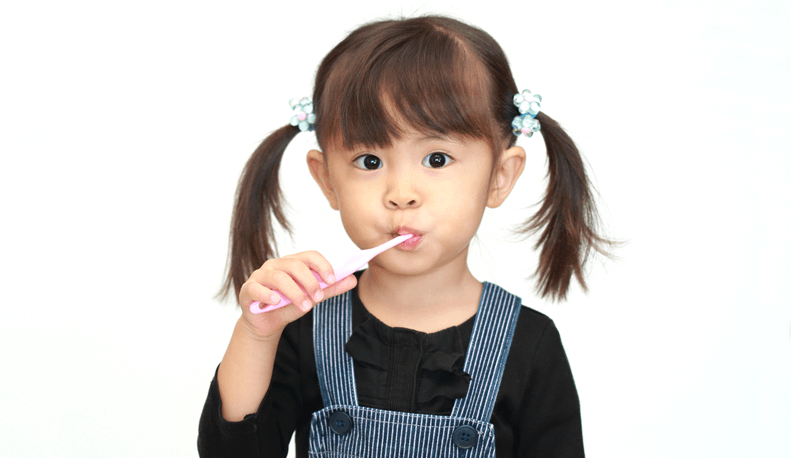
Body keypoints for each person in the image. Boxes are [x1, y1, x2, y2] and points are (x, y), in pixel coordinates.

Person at [198, 15, 611, 458]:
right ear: (327, 180)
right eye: (369, 162)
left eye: (437, 158)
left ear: (499, 177)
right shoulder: (302, 332)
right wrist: (257, 336)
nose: (401, 195)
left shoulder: (530, 345)